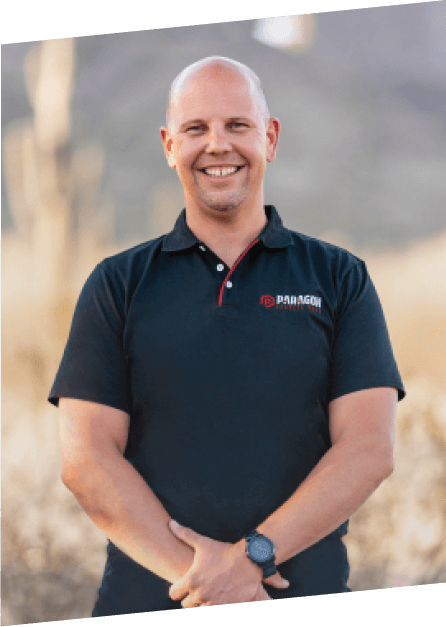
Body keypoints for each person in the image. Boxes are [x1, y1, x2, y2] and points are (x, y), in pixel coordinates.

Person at [48, 56, 406, 615]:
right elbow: (85, 458)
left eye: (237, 125)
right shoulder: (116, 285)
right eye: (196, 129)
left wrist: (251, 559)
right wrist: (205, 581)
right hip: (148, 597)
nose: (218, 145)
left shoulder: (339, 278)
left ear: (270, 137)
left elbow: (369, 449)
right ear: (169, 145)